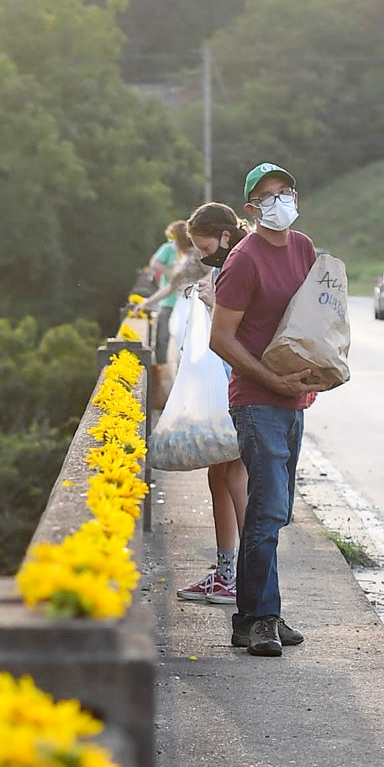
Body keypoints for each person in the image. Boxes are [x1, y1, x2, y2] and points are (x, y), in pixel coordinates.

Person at [208, 162, 320, 661]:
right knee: (268, 507)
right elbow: (220, 338)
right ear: (251, 209)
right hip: (256, 401)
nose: (279, 202)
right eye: (267, 196)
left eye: (285, 192)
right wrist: (270, 379)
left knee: (276, 511)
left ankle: (251, 617)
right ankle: (261, 618)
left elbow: (315, 317)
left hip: (294, 397)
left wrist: (317, 372)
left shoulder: (303, 249)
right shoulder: (244, 258)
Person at [172, 202, 251, 609]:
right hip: (224, 383)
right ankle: (226, 572)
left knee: (234, 477)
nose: (203, 256)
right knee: (218, 477)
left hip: (240, 385)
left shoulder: (243, 260)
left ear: (224, 235)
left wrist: (210, 303)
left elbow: (247, 321)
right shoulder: (229, 261)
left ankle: (250, 577)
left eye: (205, 247)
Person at [145, 218, 191, 365]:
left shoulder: (191, 256)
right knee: (163, 337)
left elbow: (172, 285)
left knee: (182, 341)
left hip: (186, 303)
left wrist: (148, 302)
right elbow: (155, 264)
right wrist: (170, 271)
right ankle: (161, 367)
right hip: (170, 301)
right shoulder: (169, 249)